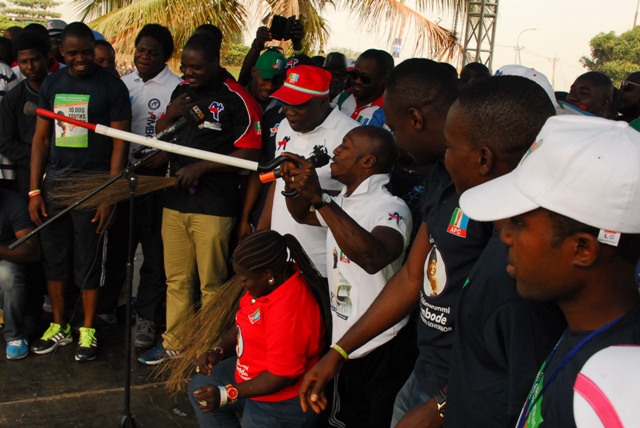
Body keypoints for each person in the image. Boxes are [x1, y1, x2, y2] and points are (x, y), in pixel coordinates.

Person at [298, 59, 493, 427]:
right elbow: (409, 278)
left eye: (393, 124)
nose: (392, 135)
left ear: (415, 118)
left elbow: (502, 328)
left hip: (456, 391)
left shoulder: (489, 199)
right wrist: (339, 351)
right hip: (425, 368)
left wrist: (441, 405)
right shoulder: (440, 177)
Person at [458, 115, 640, 428]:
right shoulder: (584, 332)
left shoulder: (615, 393)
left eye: (519, 223)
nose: (505, 236)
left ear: (582, 249)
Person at [442, 76, 567, 427]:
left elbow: (526, 407)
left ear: (483, 160)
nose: (445, 158)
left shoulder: (520, 277)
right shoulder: (504, 238)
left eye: (450, 146)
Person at [138, 33, 262, 365]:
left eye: (196, 67)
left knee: (212, 283)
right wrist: (170, 114)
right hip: (174, 199)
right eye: (185, 67)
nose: (189, 73)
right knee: (176, 279)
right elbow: (162, 136)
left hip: (215, 204)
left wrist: (203, 167)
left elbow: (251, 153)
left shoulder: (238, 98)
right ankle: (174, 343)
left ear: (216, 62)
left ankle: (207, 347)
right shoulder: (182, 91)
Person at [282, 125, 415, 427]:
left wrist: (320, 198)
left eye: (346, 146)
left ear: (368, 162)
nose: (336, 151)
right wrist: (293, 186)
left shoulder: (390, 207)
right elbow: (302, 214)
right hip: (345, 339)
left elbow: (373, 257)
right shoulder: (343, 201)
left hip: (378, 343)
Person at [29, 22, 132, 362]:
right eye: (72, 53)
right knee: (55, 260)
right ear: (60, 53)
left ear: (94, 48)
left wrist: (109, 194)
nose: (80, 59)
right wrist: (34, 191)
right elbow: (41, 139)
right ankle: (59, 326)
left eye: (86, 52)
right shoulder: (53, 84)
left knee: (88, 262)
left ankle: (87, 329)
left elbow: (121, 145)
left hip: (94, 182)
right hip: (56, 182)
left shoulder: (112, 87)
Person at [188, 230, 326, 428]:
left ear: (267, 274)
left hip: (281, 402)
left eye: (244, 279)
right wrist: (218, 351)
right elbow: (243, 322)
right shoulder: (267, 286)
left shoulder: (289, 312)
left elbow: (282, 377)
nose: (241, 284)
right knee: (199, 386)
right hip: (252, 374)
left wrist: (227, 394)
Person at [256, 65, 359, 277]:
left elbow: (358, 200)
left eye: (298, 105)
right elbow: (278, 182)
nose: (289, 111)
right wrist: (261, 233)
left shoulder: (352, 137)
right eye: (285, 102)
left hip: (321, 262)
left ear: (323, 100)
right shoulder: (285, 126)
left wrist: (315, 192)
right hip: (279, 257)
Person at [119, 23, 182, 348]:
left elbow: (183, 132)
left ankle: (146, 316)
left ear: (166, 56)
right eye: (140, 50)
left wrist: (164, 154)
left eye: (152, 52)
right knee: (120, 248)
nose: (144, 56)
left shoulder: (177, 87)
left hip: (157, 182)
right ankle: (111, 309)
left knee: (154, 254)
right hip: (122, 177)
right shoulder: (122, 83)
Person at [0, 30, 50, 198]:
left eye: (34, 60)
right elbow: (5, 141)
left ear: (46, 57)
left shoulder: (63, 90)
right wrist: (40, 156)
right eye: (23, 62)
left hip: (64, 170)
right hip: (27, 175)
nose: (29, 66)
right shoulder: (13, 98)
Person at [0, 189, 40, 359]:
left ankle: (15, 336)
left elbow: (31, 250)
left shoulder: (12, 202)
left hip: (6, 259)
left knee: (7, 274)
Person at [334, 49, 394, 127]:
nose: (358, 81)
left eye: (365, 78)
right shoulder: (341, 97)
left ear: (382, 80)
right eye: (354, 74)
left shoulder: (387, 114)